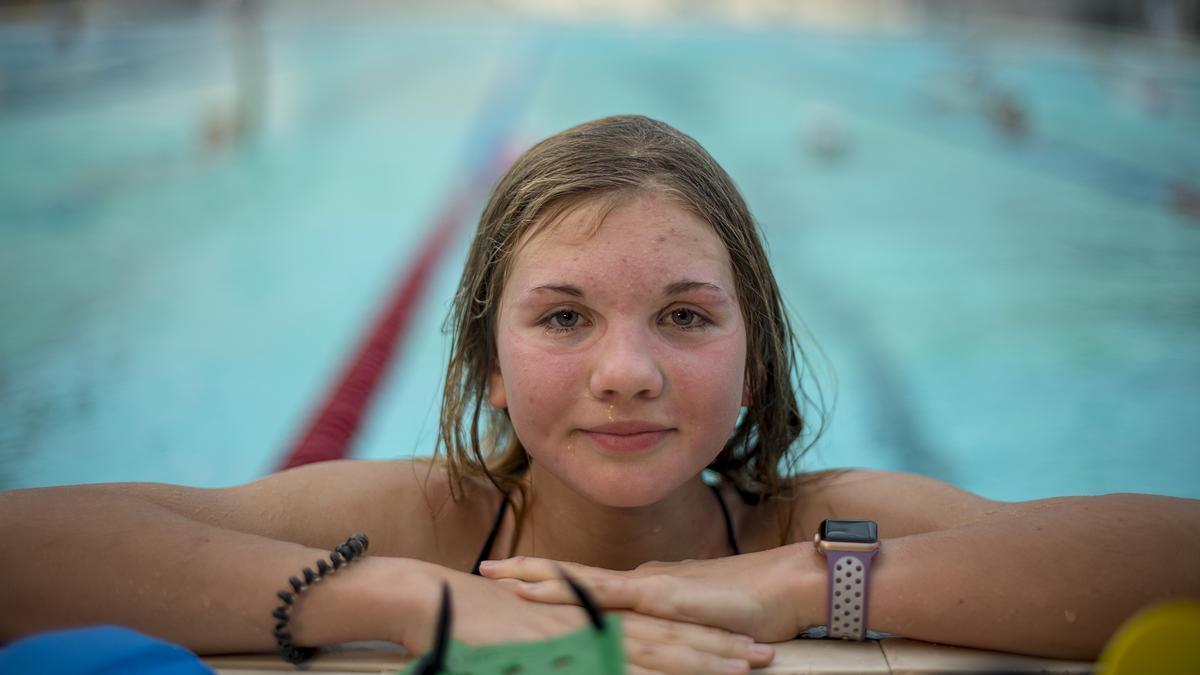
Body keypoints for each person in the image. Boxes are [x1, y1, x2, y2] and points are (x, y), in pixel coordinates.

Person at [1, 115, 1197, 674]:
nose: (627, 371)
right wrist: (414, 602)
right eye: (565, 317)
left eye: (684, 315)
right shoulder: (433, 520)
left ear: (755, 357)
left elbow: (1168, 558)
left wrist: (791, 587)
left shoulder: (805, 522)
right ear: (484, 359)